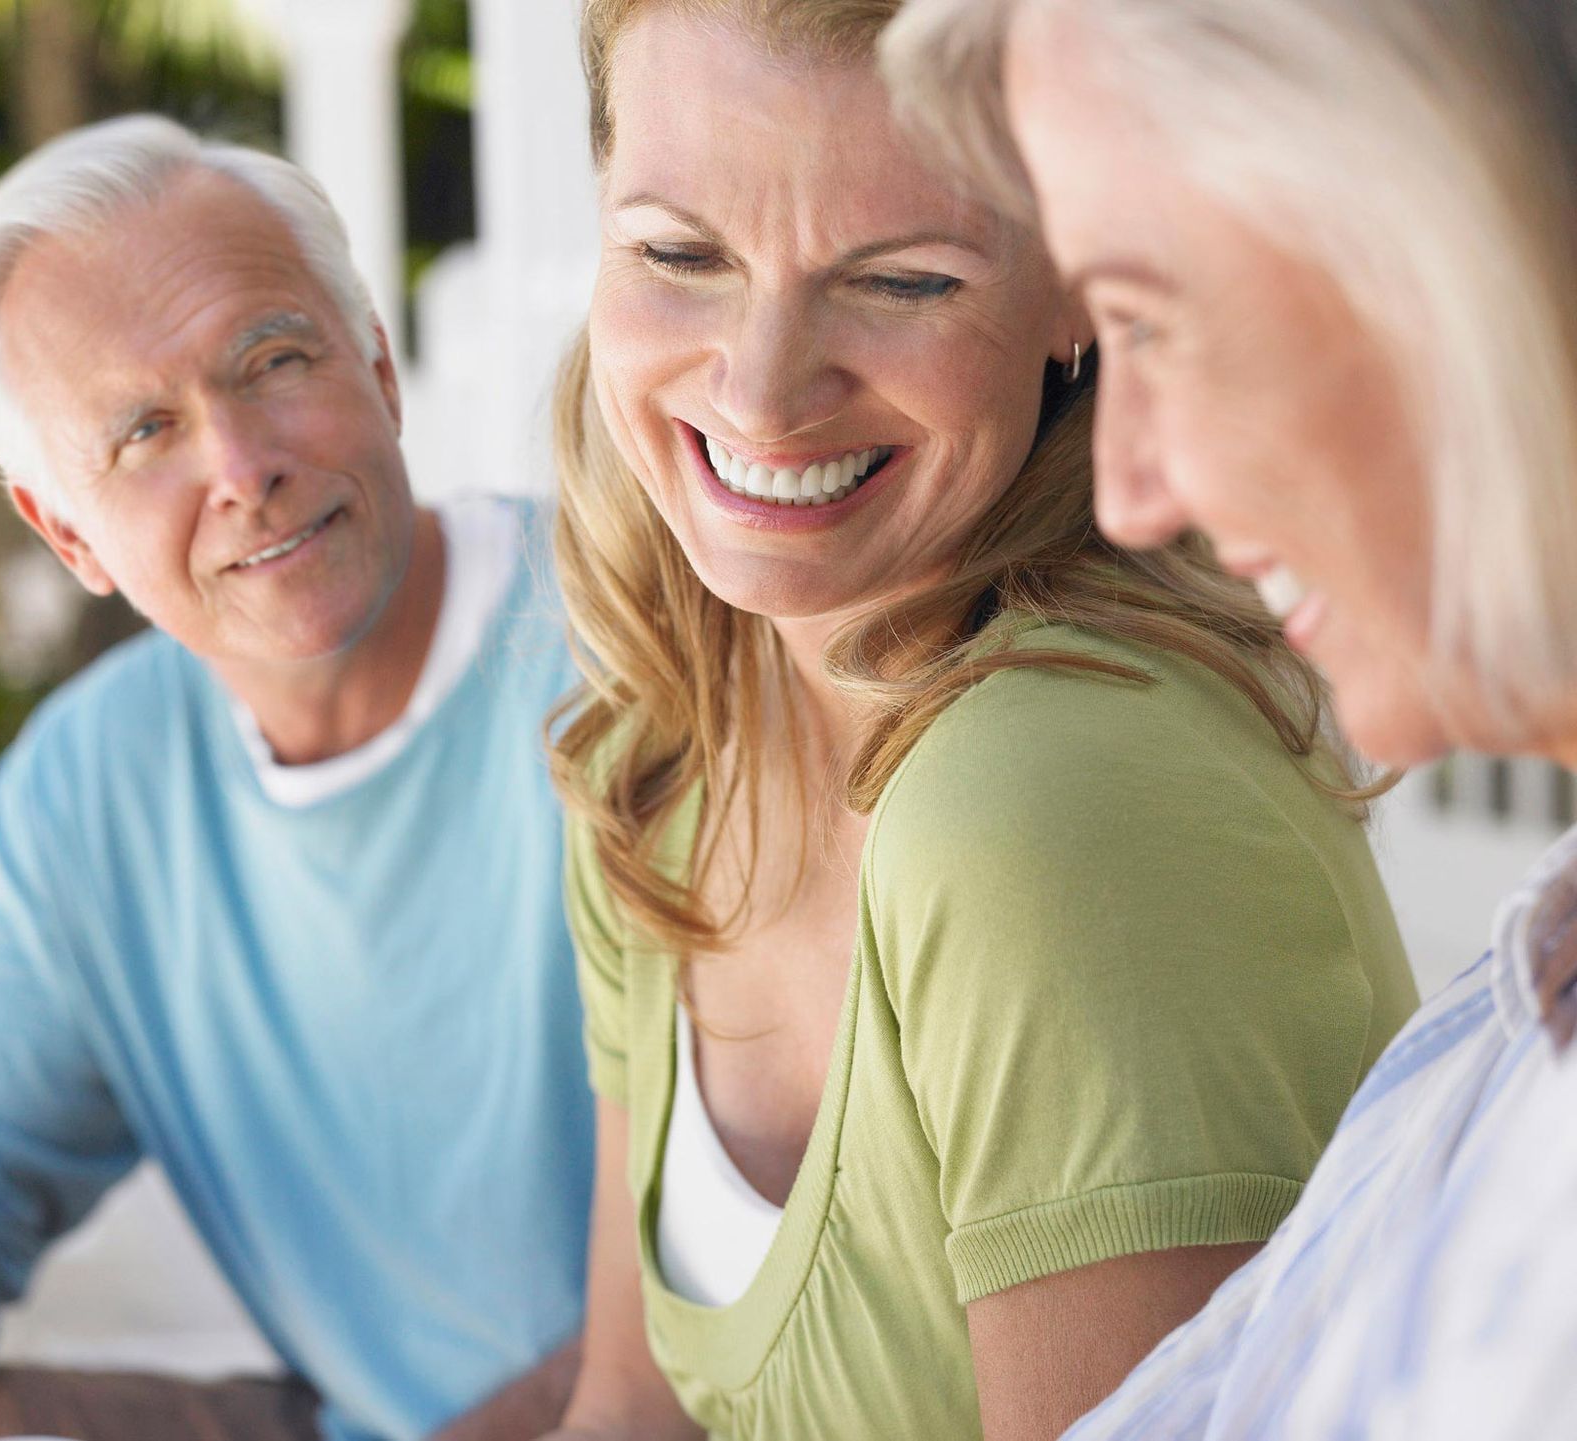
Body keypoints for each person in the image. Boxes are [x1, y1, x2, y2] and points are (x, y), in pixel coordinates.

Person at [538, 3, 1417, 1438]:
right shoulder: (657, 768)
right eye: (678, 252)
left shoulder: (1052, 793)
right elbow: (631, 1409)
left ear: (1082, 277)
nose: (761, 391)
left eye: (901, 281)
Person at [0, 116, 593, 1441]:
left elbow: (746, 1267)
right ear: (65, 534)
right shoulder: (94, 786)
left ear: (379, 368)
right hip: (346, 1415)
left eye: (272, 360)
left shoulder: (628, 640)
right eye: (143, 431)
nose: (240, 468)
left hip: (680, 1401)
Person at [881, 0, 1577, 1434]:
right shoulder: (1498, 1041)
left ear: (1456, 229)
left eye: (1143, 318)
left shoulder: (1040, 787)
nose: (1127, 488)